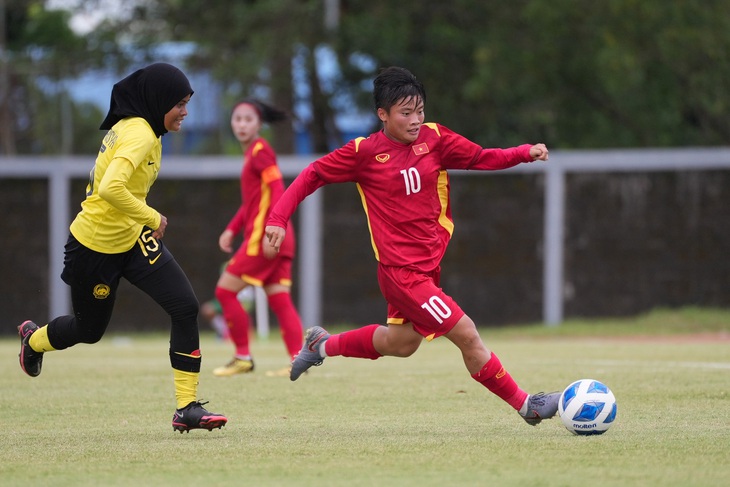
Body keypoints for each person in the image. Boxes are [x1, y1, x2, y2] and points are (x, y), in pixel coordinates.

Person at [265, 66, 559, 425]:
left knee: (401, 344)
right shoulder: (364, 152)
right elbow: (311, 175)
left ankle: (320, 345)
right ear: (382, 115)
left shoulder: (435, 138)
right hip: (401, 274)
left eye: (420, 111)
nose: (416, 120)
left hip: (426, 268)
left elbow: (480, 157)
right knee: (466, 333)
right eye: (406, 113)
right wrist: (277, 218)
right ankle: (528, 405)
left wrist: (523, 152)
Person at [17, 63, 227, 433]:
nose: (185, 111)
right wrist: (152, 216)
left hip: (131, 239)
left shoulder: (141, 128)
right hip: (94, 247)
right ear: (158, 100)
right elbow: (110, 189)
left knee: (184, 306)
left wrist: (141, 221)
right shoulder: (140, 134)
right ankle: (34, 340)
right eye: (179, 103)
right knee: (89, 330)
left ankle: (187, 408)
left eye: (187, 102)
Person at [212, 99, 304, 377]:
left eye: (248, 119)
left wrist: (272, 228)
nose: (241, 124)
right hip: (280, 237)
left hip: (266, 238)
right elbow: (253, 201)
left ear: (259, 124)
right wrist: (231, 228)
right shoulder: (253, 152)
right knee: (280, 300)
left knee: (224, 292)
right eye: (237, 119)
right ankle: (299, 361)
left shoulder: (260, 151)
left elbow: (278, 188)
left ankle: (242, 357)